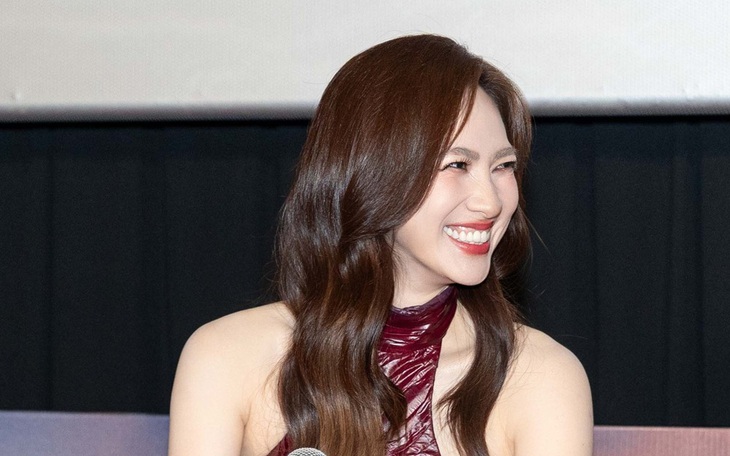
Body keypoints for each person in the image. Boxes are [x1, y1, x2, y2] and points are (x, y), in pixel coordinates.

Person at [168, 34, 593, 456]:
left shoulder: (540, 377)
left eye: (503, 166)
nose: (491, 201)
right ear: (373, 173)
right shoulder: (226, 357)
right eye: (457, 164)